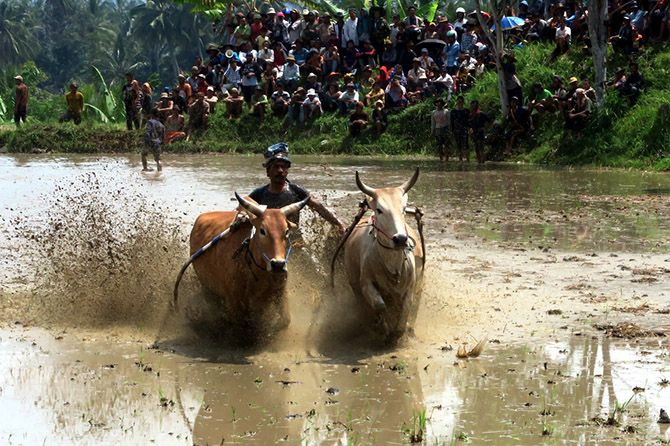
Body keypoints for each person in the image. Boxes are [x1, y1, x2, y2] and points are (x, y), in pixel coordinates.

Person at [248, 143, 346, 232]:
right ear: (268, 171)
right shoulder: (259, 194)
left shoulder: (295, 191)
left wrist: (340, 224)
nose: (280, 171)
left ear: (287, 171)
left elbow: (318, 207)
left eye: (284, 167)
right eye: (276, 167)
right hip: (269, 240)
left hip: (294, 240)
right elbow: (241, 209)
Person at [469, 100, 490, 165]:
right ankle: (479, 162)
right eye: (472, 105)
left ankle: (483, 162)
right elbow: (469, 124)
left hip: (481, 133)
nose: (474, 106)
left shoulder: (481, 113)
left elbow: (488, 121)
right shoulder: (471, 114)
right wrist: (470, 130)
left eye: (475, 105)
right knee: (476, 149)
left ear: (477, 106)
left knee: (481, 148)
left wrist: (484, 128)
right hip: (475, 133)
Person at [450, 96, 470, 162]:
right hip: (456, 130)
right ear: (457, 102)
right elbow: (452, 122)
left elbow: (469, 121)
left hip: (464, 130)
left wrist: (469, 129)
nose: (460, 103)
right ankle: (460, 159)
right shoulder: (453, 112)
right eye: (459, 102)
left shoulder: (466, 111)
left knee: (466, 145)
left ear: (463, 102)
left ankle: (467, 159)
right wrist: (452, 132)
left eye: (461, 102)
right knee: (459, 146)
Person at [431, 97, 450, 161]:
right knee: (439, 145)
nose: (439, 104)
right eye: (437, 102)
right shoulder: (434, 112)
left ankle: (447, 158)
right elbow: (433, 122)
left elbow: (449, 121)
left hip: (445, 128)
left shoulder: (446, 111)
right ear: (436, 104)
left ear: (442, 104)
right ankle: (441, 158)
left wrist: (449, 130)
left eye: (440, 102)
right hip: (437, 129)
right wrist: (432, 131)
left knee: (446, 145)